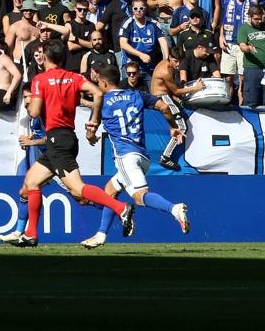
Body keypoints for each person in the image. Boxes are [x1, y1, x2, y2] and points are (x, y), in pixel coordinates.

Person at [7, 39, 134, 247]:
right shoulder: (73, 77)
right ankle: (31, 234)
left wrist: (30, 105)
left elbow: (35, 112)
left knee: (78, 189)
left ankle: (120, 208)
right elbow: (98, 93)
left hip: (56, 139)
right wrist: (94, 119)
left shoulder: (40, 80)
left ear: (46, 57)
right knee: (31, 182)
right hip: (65, 138)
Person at [80, 65, 189, 249]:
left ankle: (174, 209)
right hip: (143, 157)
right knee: (109, 192)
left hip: (126, 156)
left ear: (104, 83)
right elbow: (163, 106)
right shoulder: (137, 95)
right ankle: (100, 234)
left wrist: (91, 135)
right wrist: (172, 126)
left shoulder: (103, 100)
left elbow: (92, 130)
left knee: (139, 197)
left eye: (99, 83)